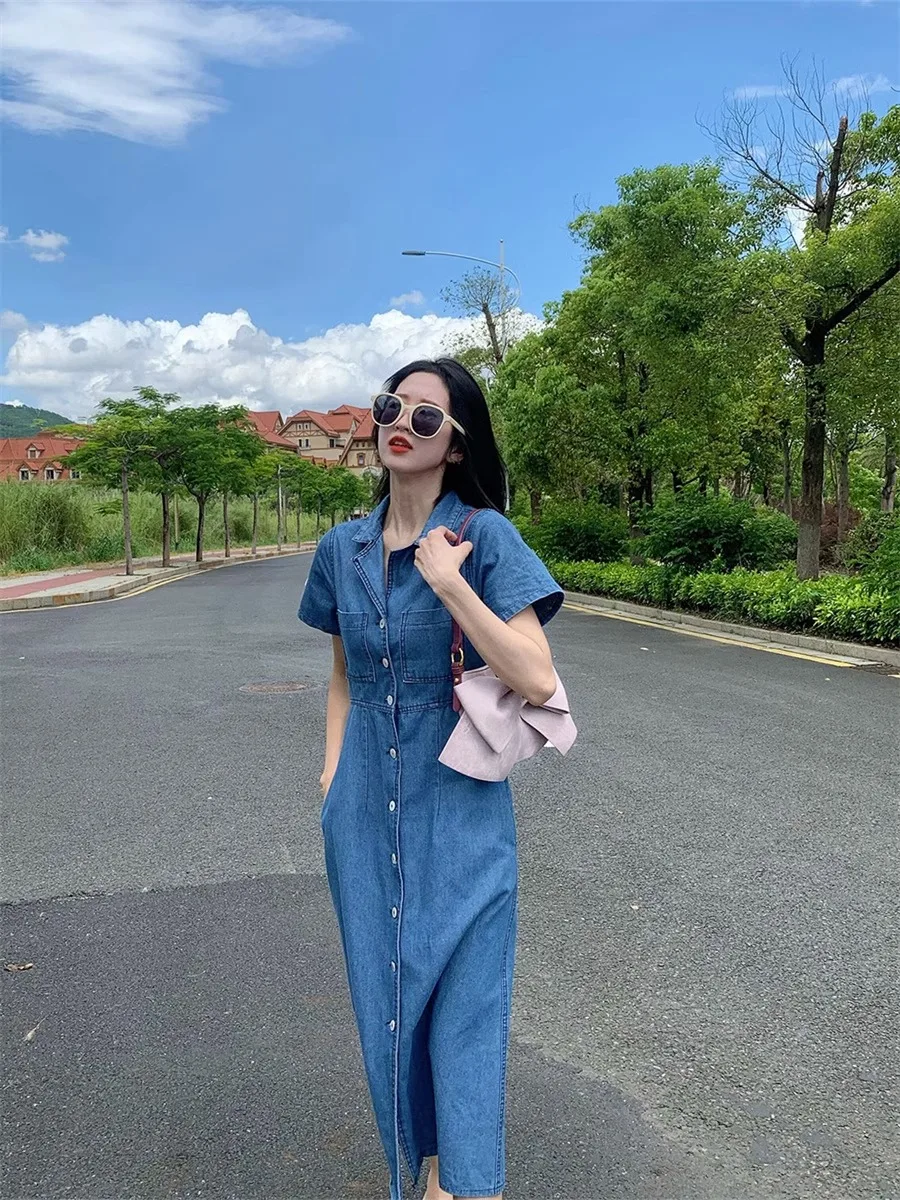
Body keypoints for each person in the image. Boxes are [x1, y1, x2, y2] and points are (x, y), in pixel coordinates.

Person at [298, 357, 565, 1200]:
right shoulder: (340, 550)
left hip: (461, 804)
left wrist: (451, 586)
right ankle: (425, 1165)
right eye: (391, 407)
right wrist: (332, 774)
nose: (399, 425)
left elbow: (536, 677)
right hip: (361, 810)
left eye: (424, 416)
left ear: (455, 445)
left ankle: (463, 1182)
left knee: (467, 1002)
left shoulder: (484, 539)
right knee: (388, 996)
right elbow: (343, 676)